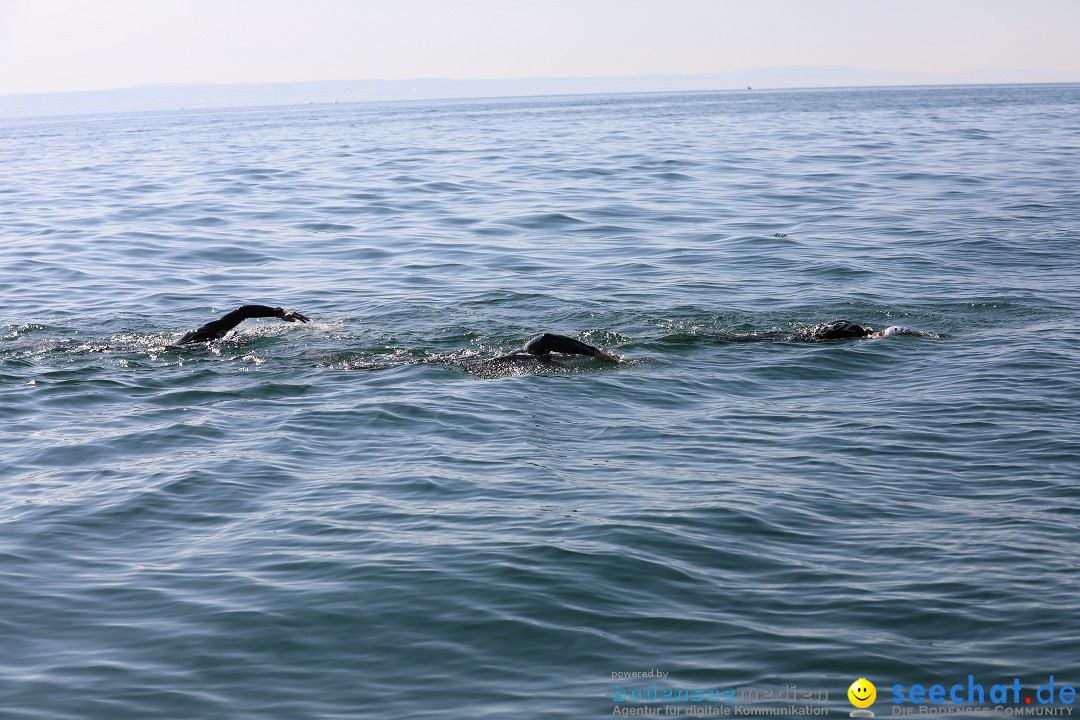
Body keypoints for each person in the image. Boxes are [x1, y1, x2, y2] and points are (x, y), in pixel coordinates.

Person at [177, 304, 310, 344]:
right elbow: (243, 311)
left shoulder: (204, 331)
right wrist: (279, 313)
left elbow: (243, 312)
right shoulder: (205, 332)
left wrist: (279, 313)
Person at [717, 319, 918, 343]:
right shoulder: (858, 338)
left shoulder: (858, 327)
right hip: (795, 341)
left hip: (797, 336)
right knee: (735, 340)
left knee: (735, 338)